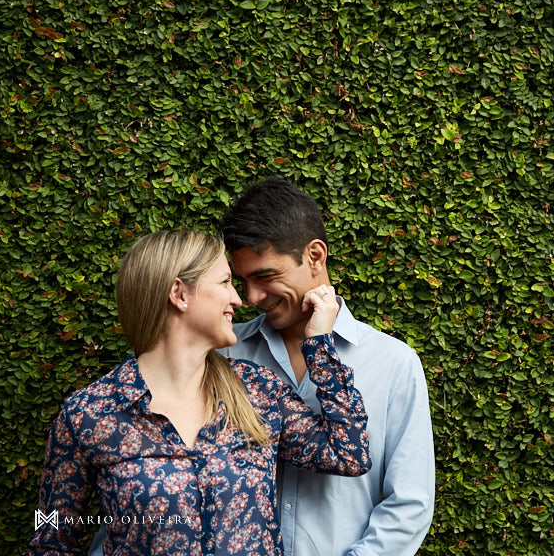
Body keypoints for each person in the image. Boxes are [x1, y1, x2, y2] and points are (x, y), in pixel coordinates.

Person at [31, 230, 370, 555]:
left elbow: (349, 453)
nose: (238, 298)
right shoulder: (89, 414)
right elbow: (52, 541)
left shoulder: (257, 390)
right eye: (225, 282)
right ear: (179, 294)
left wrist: (319, 346)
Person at [219, 177, 435, 556]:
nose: (252, 297)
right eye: (243, 281)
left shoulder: (394, 364)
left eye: (265, 276)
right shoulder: (224, 355)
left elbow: (409, 504)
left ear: (315, 256)